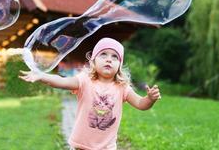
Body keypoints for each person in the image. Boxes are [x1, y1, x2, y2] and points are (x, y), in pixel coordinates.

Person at [19, 37, 161, 150]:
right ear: (93, 61)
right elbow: (62, 82)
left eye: (115, 57)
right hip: (81, 146)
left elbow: (141, 104)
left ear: (119, 65)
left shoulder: (122, 87)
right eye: (103, 54)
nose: (109, 59)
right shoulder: (84, 80)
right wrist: (42, 76)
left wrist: (150, 99)